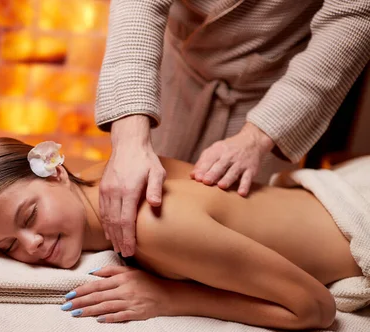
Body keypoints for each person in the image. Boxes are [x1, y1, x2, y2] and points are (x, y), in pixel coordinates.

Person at [0, 138, 364, 331]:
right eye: (9, 246)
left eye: (30, 215)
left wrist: (171, 297)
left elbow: (316, 309)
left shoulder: (149, 226)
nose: (32, 243)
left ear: (56, 171)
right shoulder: (101, 174)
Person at [96, 1, 370, 258]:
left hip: (272, 89)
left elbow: (353, 15)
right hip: (181, 68)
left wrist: (257, 137)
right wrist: (130, 142)